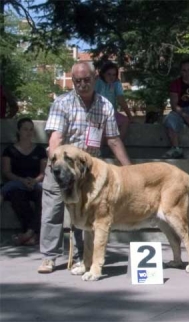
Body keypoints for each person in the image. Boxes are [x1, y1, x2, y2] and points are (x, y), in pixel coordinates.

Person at [37, 62, 132, 274]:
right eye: (77, 81)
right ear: (73, 81)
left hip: (88, 171)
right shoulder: (62, 103)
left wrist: (129, 171)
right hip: (62, 166)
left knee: (86, 213)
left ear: (95, 78)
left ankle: (83, 258)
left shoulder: (106, 105)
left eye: (86, 80)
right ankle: (49, 258)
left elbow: (114, 140)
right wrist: (54, 164)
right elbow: (56, 137)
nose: (82, 84)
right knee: (52, 211)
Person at [1, 118, 46, 246]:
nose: (28, 132)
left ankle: (28, 234)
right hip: (17, 184)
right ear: (19, 131)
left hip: (35, 184)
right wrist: (21, 180)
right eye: (25, 129)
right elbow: (6, 172)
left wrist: (34, 180)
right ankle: (32, 234)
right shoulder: (10, 150)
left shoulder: (40, 151)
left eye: (31, 129)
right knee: (17, 197)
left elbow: (43, 172)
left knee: (44, 198)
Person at [94, 62, 134, 140]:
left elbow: (121, 99)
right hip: (97, 113)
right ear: (103, 74)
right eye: (109, 74)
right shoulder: (98, 81)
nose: (111, 77)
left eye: (114, 74)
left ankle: (118, 144)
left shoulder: (116, 83)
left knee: (125, 121)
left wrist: (130, 117)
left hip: (112, 113)